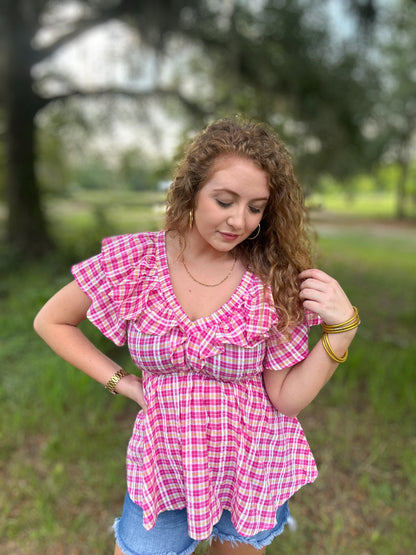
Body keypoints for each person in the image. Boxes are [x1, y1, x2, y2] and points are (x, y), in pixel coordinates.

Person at [34, 116, 360, 555]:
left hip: (248, 465)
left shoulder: (272, 280)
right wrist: (121, 381)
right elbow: (51, 321)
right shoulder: (137, 261)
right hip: (164, 465)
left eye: (255, 207)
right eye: (224, 200)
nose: (238, 220)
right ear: (191, 190)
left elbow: (286, 398)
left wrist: (342, 331)